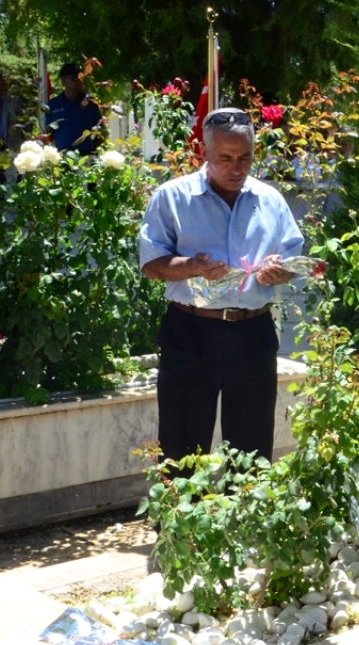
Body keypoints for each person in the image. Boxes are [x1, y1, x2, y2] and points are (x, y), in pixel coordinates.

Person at [138, 108, 303, 463]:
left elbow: (293, 257)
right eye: (225, 158)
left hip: (252, 332)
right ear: (204, 153)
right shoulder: (172, 198)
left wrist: (280, 271)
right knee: (182, 444)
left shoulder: (269, 200)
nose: (236, 168)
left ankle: (243, 518)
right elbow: (151, 264)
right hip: (191, 331)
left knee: (252, 447)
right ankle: (178, 517)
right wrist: (192, 267)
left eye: (245, 157)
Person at [46, 63, 103, 156]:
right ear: (64, 80)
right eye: (75, 78)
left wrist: (91, 151)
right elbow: (48, 133)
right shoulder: (53, 105)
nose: (80, 82)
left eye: (82, 78)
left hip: (86, 158)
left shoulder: (91, 105)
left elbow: (100, 132)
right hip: (61, 159)